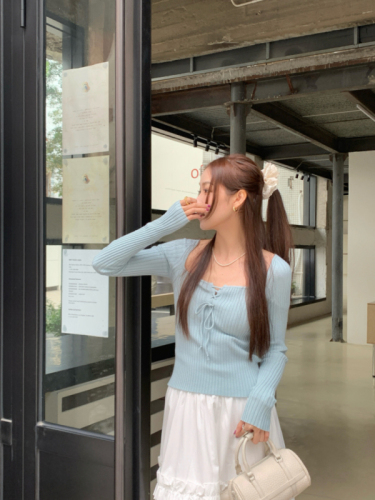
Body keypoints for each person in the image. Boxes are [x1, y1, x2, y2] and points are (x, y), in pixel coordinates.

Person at [92, 154, 295, 500]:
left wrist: (261, 403)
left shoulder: (273, 269)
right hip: (186, 409)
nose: (197, 200)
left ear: (238, 199)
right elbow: (104, 263)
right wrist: (163, 225)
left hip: (242, 413)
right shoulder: (182, 255)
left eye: (205, 191)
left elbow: (275, 349)